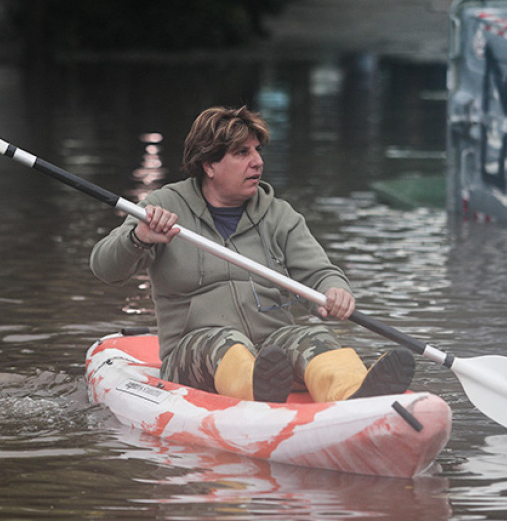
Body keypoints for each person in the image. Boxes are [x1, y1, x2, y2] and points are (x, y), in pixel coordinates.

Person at [91, 107, 415, 403]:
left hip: (272, 347)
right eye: (242, 153)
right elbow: (106, 269)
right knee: (225, 342)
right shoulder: (164, 206)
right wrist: (139, 238)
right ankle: (256, 389)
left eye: (257, 151)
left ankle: (353, 395)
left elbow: (318, 273)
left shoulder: (279, 216)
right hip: (193, 353)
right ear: (209, 165)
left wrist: (334, 289)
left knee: (311, 335)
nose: (257, 161)